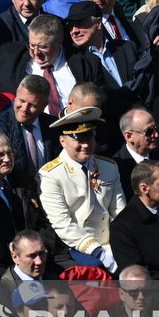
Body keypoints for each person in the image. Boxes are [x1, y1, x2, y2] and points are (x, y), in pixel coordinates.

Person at [37, 106, 125, 270]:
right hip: (77, 247)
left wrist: (121, 244)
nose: (86, 145)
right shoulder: (51, 174)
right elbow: (62, 223)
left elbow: (119, 211)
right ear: (63, 141)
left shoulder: (109, 167)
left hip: (111, 243)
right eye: (79, 139)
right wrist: (97, 251)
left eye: (89, 138)